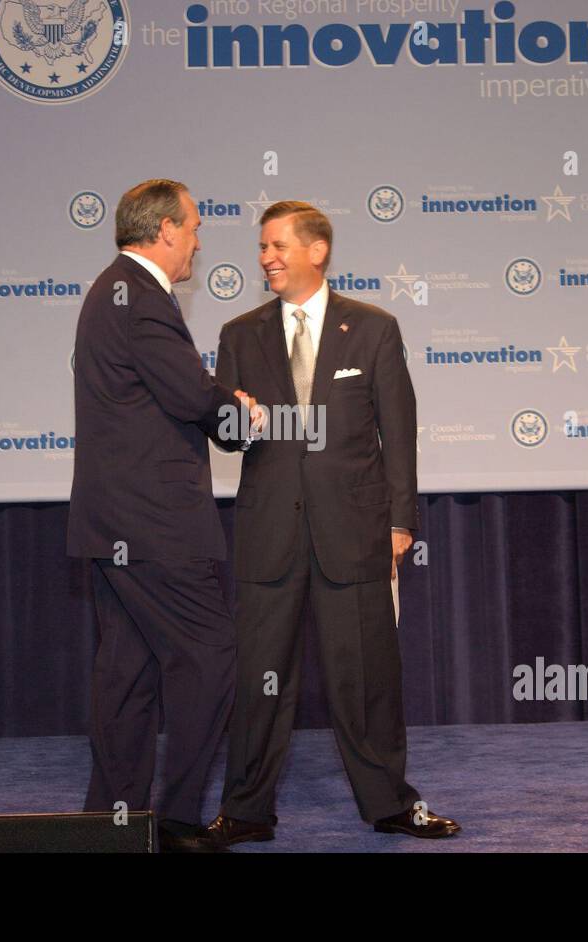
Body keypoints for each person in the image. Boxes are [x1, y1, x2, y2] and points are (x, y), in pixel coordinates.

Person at [204, 201, 460, 844]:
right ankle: (246, 811)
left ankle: (389, 804)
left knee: (366, 679)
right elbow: (230, 440)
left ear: (317, 251)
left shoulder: (372, 328)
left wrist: (401, 521)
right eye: (262, 247)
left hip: (355, 534)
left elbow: (398, 433)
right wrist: (236, 417)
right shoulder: (240, 334)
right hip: (269, 538)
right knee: (260, 681)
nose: (266, 257)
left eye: (278, 245)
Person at [67, 179, 258, 852]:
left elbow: (165, 391)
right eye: (195, 227)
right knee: (209, 656)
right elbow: (187, 391)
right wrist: (240, 413)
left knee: (128, 671)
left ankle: (111, 827)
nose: (200, 241)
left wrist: (213, 398)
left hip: (115, 525)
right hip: (154, 527)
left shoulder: (111, 290)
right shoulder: (140, 297)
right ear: (165, 231)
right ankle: (175, 823)